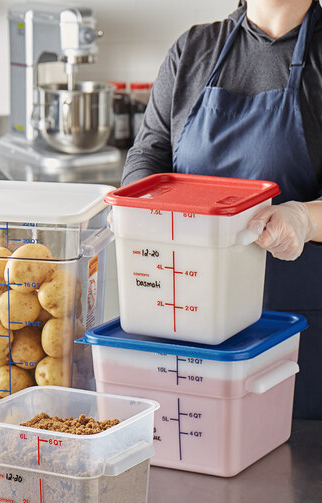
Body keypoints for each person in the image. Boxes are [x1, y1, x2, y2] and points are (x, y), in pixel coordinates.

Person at [121, 0, 322, 419]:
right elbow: (149, 152)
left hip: (290, 328)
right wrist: (134, 205)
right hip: (182, 318)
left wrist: (303, 218)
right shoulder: (194, 49)